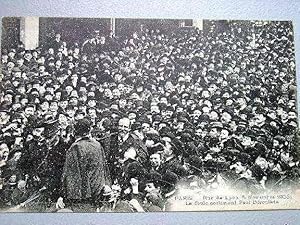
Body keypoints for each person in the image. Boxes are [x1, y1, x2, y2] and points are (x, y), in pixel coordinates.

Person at [57, 118, 111, 212]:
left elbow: (70, 175)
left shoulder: (76, 147)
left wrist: (62, 195)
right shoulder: (97, 144)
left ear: (75, 131)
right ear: (89, 130)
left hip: (83, 195)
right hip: (97, 190)